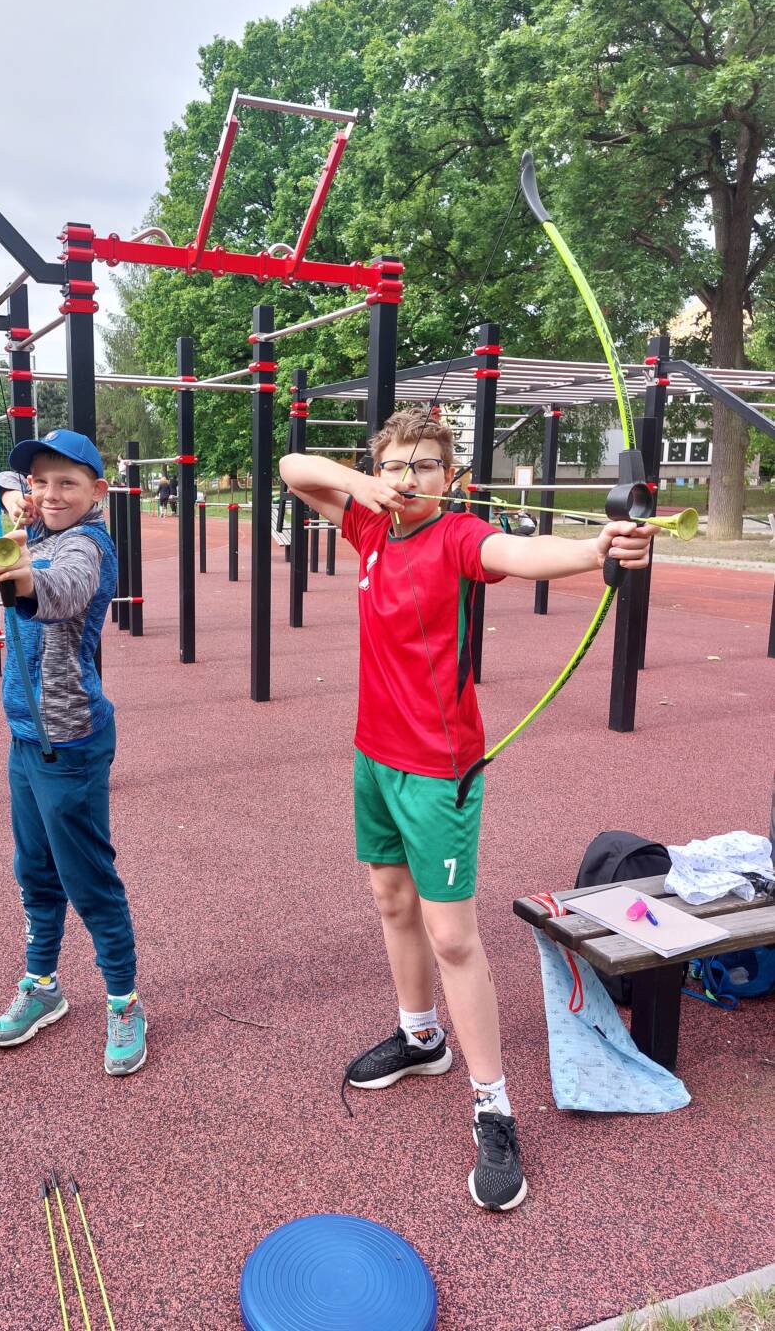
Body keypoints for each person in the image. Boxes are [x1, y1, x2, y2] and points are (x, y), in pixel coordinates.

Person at [279, 410, 655, 1213]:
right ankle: (422, 1037)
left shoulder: (456, 537)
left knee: (453, 935)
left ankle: (493, 1104)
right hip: (373, 755)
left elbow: (520, 553)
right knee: (391, 899)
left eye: (427, 467)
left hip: (438, 769)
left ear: (450, 480)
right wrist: (360, 483)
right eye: (397, 465)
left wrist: (598, 548)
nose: (410, 478)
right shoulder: (368, 528)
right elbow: (292, 467)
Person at [0, 428, 146, 1077]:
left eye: (67, 483)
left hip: (69, 742)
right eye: (40, 481)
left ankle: (124, 1001)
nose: (50, 493)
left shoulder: (87, 546)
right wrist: (16, 518)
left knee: (88, 881)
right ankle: (42, 985)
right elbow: (19, 511)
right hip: (26, 736)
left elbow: (63, 589)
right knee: (35, 873)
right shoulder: (40, 530)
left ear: (97, 490)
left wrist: (20, 576)